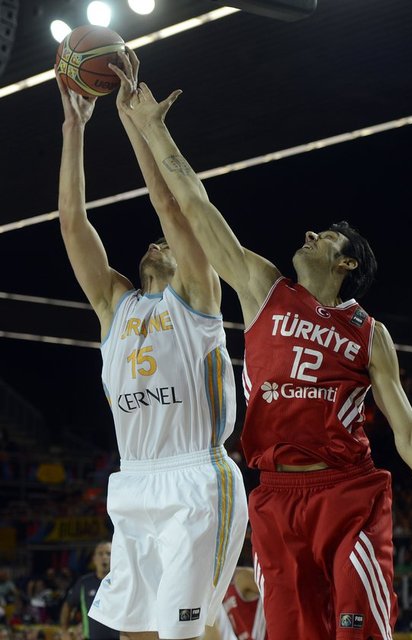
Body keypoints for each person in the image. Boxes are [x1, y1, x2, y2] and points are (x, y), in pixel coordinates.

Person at [112, 53, 412, 640]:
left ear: (347, 263)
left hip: (347, 493)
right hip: (275, 495)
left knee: (356, 630)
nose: (309, 234)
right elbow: (196, 206)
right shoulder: (263, 288)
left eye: (325, 236)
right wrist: (153, 130)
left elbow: (409, 432)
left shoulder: (369, 333)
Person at [55, 49, 248, 640]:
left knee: (181, 633)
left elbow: (169, 204)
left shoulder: (196, 297)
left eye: (166, 244)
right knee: (115, 629)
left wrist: (133, 123)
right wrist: (73, 131)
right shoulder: (114, 306)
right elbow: (72, 222)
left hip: (197, 481)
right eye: (155, 243)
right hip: (134, 481)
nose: (157, 243)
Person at [59, 541, 118, 640]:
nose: (104, 557)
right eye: (100, 554)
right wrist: (64, 631)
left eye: (109, 554)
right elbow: (68, 605)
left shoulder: (123, 582)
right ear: (94, 559)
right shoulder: (84, 583)